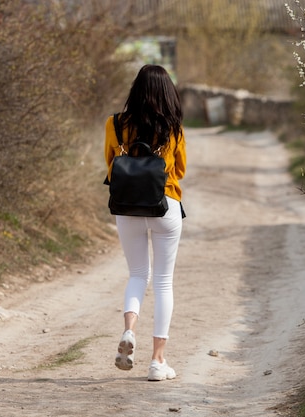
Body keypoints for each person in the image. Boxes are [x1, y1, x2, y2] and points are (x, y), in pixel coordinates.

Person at [104, 64, 186, 381]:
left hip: (126, 208)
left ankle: (129, 331)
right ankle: (157, 362)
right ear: (168, 93)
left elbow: (111, 167)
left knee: (138, 274)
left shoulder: (115, 124)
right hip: (164, 205)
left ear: (135, 91)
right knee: (163, 282)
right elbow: (179, 170)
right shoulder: (174, 128)